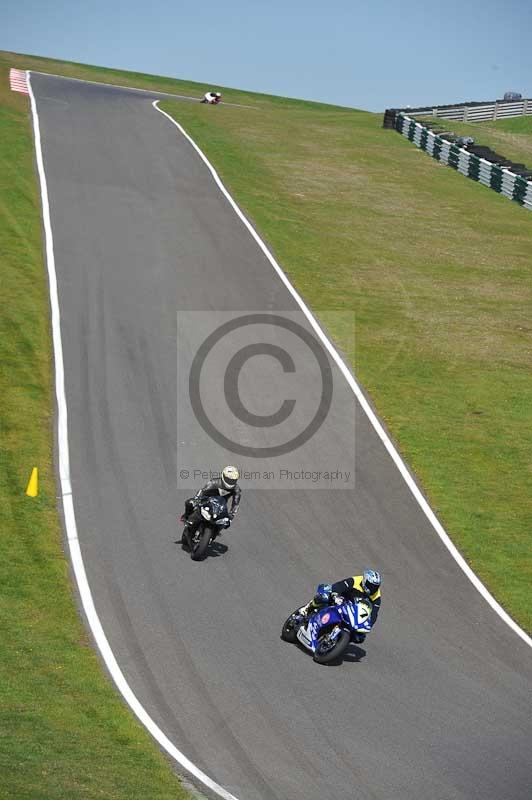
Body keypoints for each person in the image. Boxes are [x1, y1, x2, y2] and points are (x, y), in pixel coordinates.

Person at [296, 570, 382, 643]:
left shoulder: (376, 596)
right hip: (340, 601)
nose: (373, 588)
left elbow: (373, 614)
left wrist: (368, 625)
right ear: (364, 580)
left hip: (352, 613)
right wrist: (336, 595)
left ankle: (335, 642)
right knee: (324, 597)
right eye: (371, 585)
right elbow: (338, 586)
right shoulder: (355, 580)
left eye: (375, 587)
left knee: (359, 637)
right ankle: (306, 609)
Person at [181, 466, 241, 547]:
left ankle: (215, 532)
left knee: (226, 521)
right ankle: (187, 517)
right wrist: (196, 499)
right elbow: (202, 491)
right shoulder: (214, 482)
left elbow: (236, 503)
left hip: (220, 505)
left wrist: (232, 514)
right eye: (229, 480)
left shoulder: (236, 489)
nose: (230, 482)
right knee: (189, 503)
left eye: (233, 480)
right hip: (206, 500)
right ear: (223, 476)